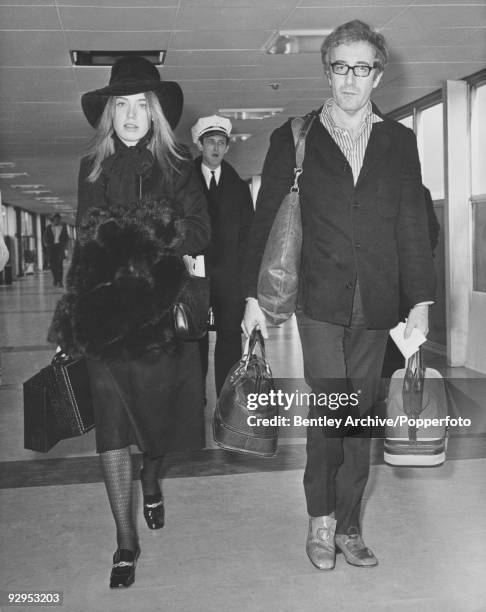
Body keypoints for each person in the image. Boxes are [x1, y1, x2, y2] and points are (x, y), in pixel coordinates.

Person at [242, 20, 436, 570]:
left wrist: (420, 300)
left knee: (361, 416)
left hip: (378, 303)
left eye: (363, 67)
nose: (351, 79)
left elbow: (412, 227)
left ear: (378, 74)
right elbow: (267, 225)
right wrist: (253, 300)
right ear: (327, 71)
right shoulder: (295, 137)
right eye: (340, 67)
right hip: (319, 300)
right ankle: (320, 523)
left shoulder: (400, 143)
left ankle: (350, 525)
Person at [48, 56, 210, 588]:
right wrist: (69, 320)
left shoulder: (180, 163)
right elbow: (85, 241)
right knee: (112, 432)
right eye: (123, 105)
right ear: (109, 113)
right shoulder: (92, 167)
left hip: (161, 319)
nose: (133, 115)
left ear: (156, 113)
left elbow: (198, 232)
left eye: (143, 105)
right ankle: (124, 541)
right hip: (105, 318)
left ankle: (153, 477)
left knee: (155, 431)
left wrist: (135, 230)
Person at [191, 115, 254, 396]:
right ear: (200, 145)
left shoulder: (239, 187)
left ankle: (227, 400)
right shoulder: (184, 182)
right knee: (195, 339)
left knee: (230, 338)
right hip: (194, 277)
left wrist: (247, 282)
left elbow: (248, 236)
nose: (216, 148)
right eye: (210, 142)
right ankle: (195, 399)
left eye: (221, 143)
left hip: (229, 279)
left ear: (227, 147)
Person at [43, 213, 69, 287]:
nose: (57, 221)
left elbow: (66, 237)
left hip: (60, 247)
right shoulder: (48, 227)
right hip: (51, 248)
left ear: (60, 220)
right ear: (53, 220)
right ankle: (55, 279)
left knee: (60, 265)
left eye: (58, 219)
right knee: (53, 265)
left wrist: (65, 245)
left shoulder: (63, 227)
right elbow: (45, 237)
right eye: (56, 219)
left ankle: (60, 282)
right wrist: (46, 244)